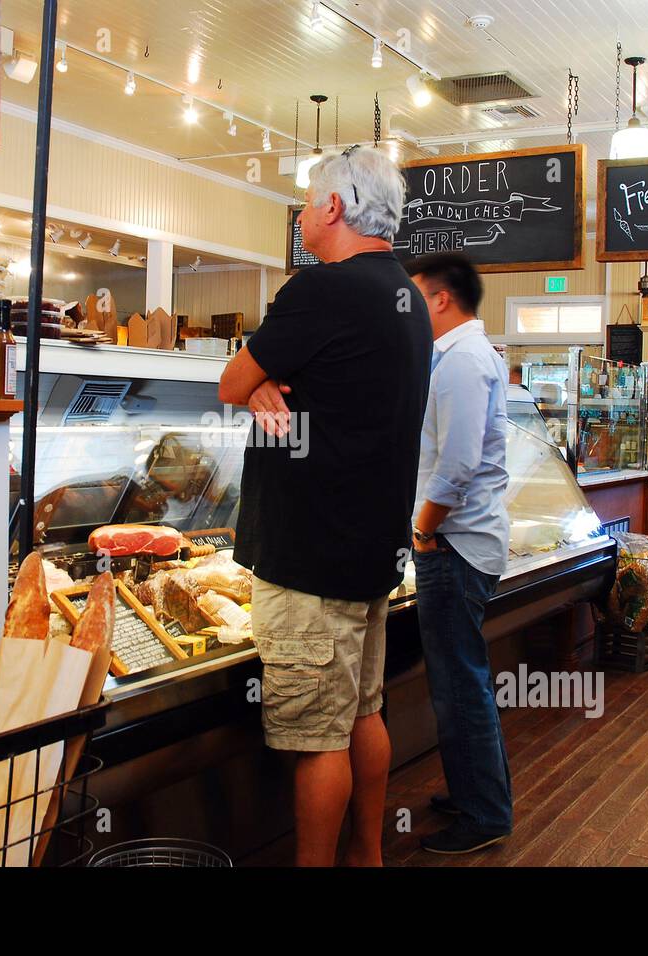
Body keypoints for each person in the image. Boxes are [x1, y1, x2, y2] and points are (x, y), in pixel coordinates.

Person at [217, 146, 431, 867]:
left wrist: (253, 385)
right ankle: (366, 856)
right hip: (371, 553)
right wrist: (260, 387)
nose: (303, 214)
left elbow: (228, 380)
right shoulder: (406, 300)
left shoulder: (320, 292)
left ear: (335, 207)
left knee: (317, 742)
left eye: (308, 201)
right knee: (363, 712)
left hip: (308, 558)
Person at [404, 252, 513, 854]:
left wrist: (423, 530)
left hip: (454, 544)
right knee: (460, 678)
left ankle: (484, 813)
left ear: (441, 298)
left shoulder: (463, 361)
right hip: (457, 540)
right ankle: (476, 790)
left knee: (459, 684)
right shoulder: (459, 356)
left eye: (415, 297)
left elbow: (458, 463)